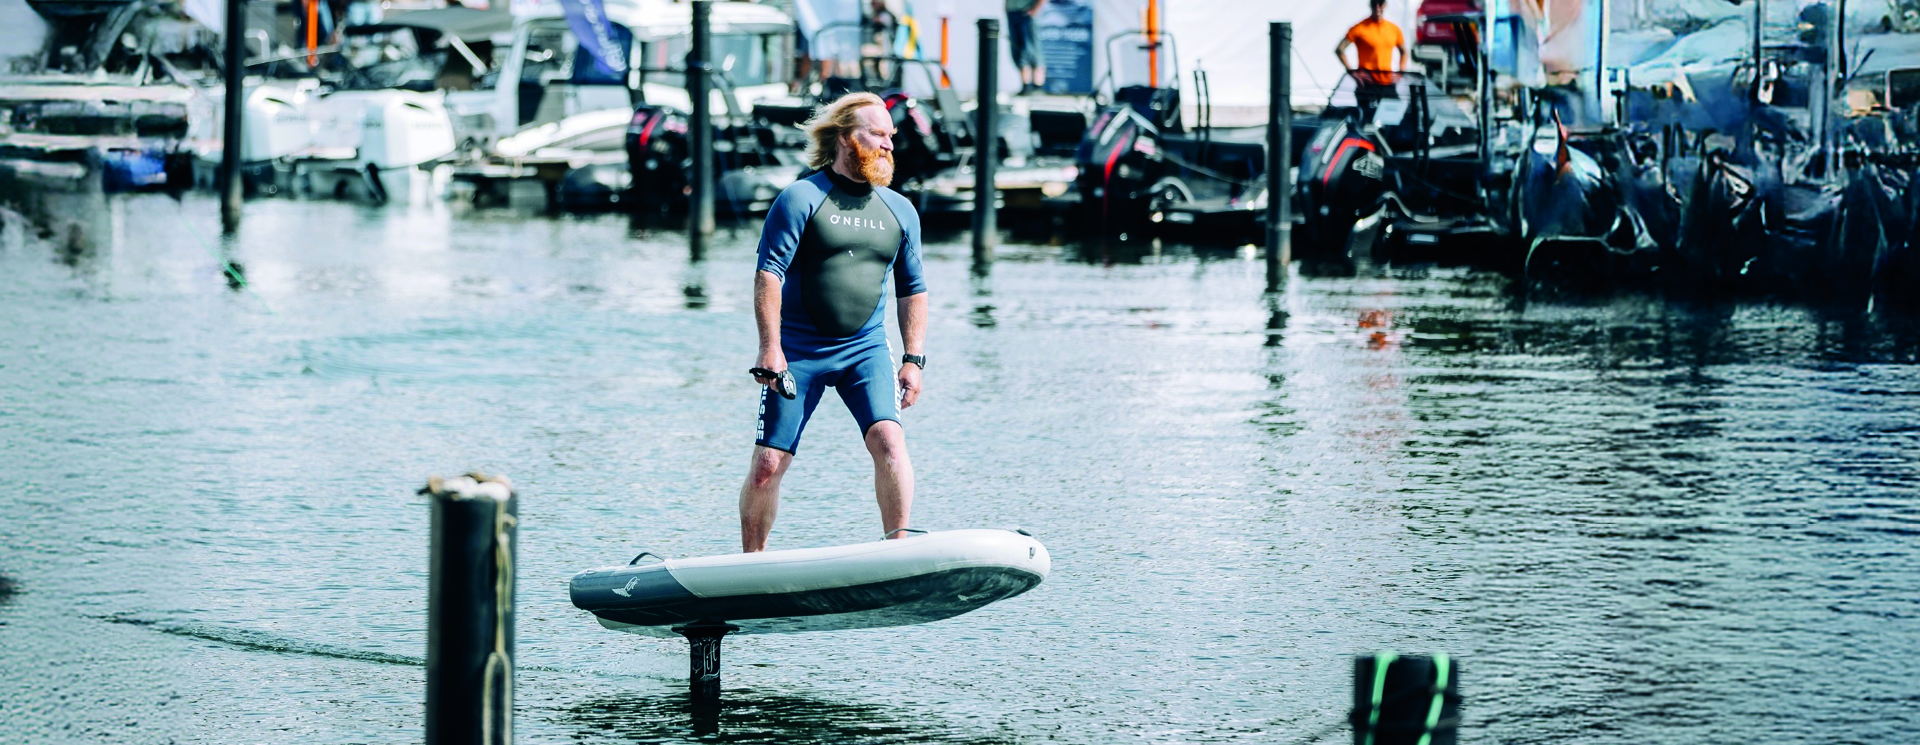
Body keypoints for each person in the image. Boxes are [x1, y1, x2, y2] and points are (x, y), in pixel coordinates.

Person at [739, 92, 928, 553]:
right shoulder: (801, 198)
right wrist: (770, 347)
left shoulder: (900, 210)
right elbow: (769, 274)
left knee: (889, 440)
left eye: (891, 136)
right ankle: (751, 567)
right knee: (768, 464)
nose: (888, 145)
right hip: (798, 350)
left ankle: (898, 551)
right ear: (845, 137)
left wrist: (913, 358)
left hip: (865, 349)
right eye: (877, 134)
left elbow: (913, 288)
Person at [1334, 0, 1409, 115]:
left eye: (1380, 3)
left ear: (1385, 5)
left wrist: (1400, 72)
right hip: (1367, 83)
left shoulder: (1393, 29)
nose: (1377, 7)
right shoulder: (1360, 28)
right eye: (1374, 4)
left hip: (1386, 82)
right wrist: (1353, 72)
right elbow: (1339, 50)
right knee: (1367, 117)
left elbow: (1404, 51)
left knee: (1394, 115)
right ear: (1370, 5)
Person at [1007, 0, 1047, 95]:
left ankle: (1037, 86)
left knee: (1031, 49)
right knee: (1017, 49)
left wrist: (1035, 10)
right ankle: (1025, 86)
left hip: (1026, 13)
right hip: (1012, 12)